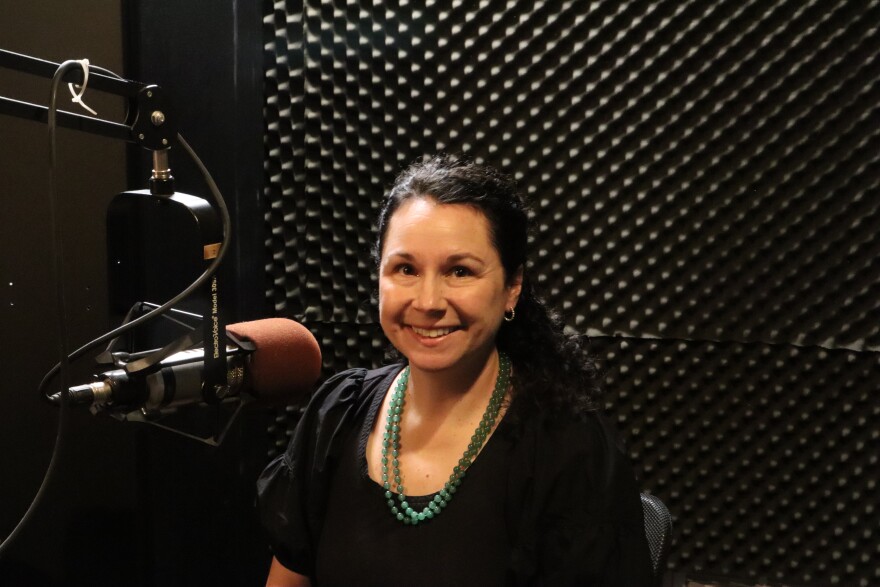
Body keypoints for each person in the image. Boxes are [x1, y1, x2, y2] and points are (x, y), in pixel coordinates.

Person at [257, 155, 655, 586]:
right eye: (405, 269)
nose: (428, 301)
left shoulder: (568, 449)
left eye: (459, 271)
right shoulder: (336, 415)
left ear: (512, 287)